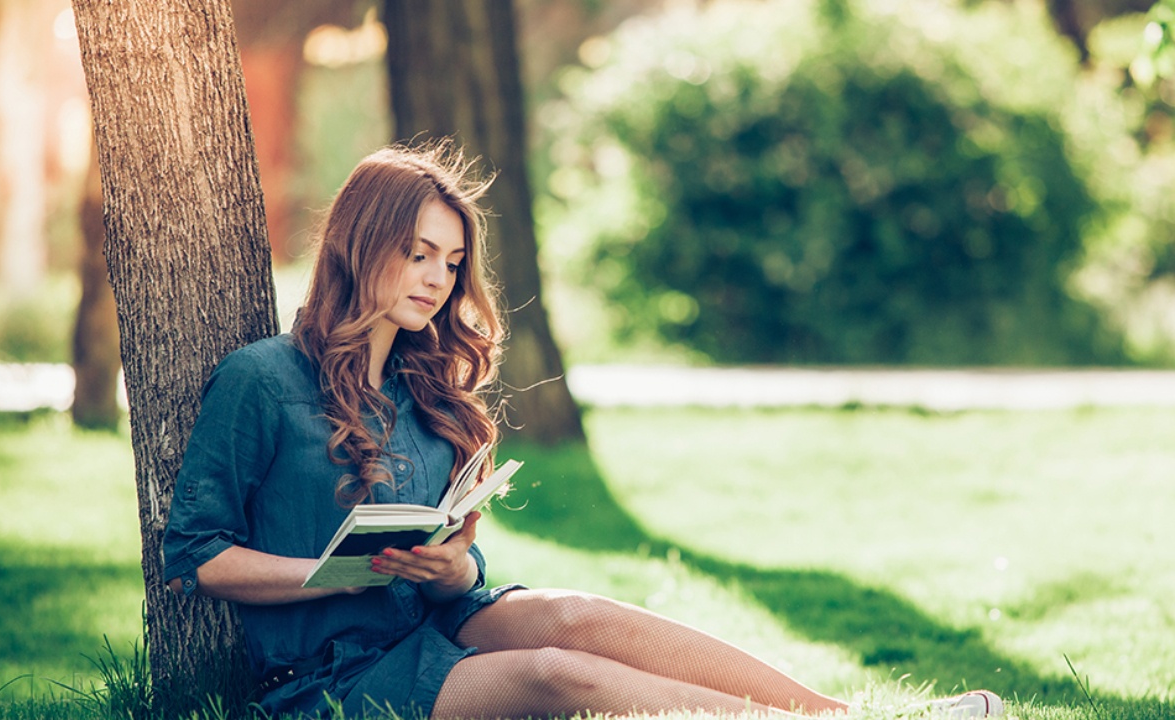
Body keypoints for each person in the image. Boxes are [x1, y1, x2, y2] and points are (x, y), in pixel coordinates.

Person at [162, 142, 1003, 720]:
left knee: (575, 615)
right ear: (361, 242)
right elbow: (197, 557)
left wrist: (452, 566)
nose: (437, 278)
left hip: (428, 623)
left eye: (451, 263)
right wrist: (328, 577)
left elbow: (457, 576)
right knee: (554, 673)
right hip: (325, 677)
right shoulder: (263, 379)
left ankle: (837, 713)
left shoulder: (426, 388)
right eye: (418, 253)